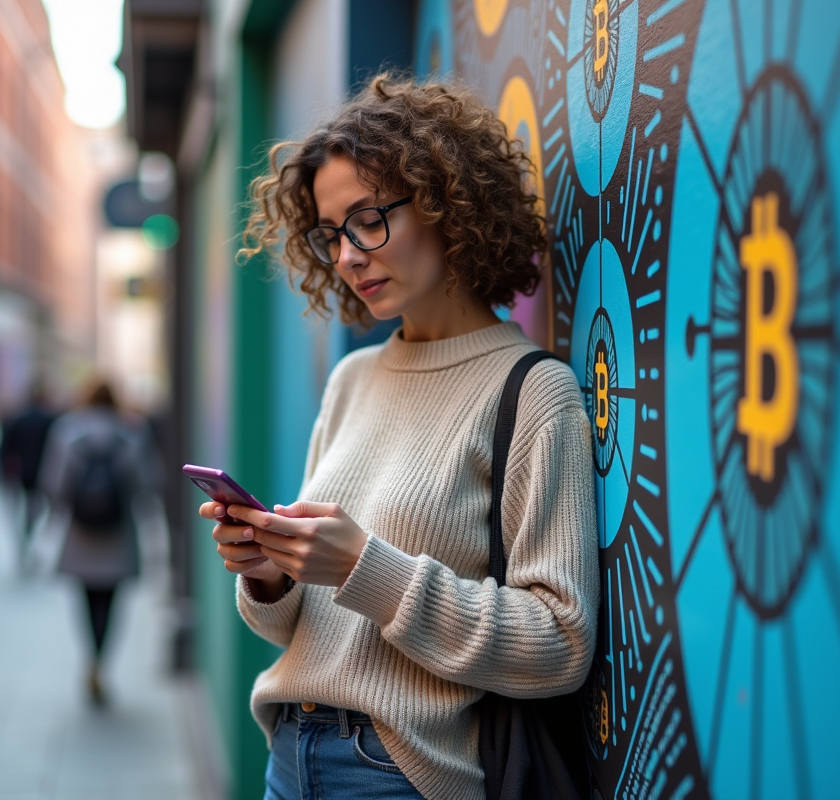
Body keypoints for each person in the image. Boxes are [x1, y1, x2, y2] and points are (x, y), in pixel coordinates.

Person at [201, 74, 600, 800]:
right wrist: (269, 571)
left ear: (450, 204)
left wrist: (366, 568)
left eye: (368, 220)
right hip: (288, 756)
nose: (349, 255)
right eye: (330, 235)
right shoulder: (353, 379)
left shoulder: (530, 390)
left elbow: (559, 643)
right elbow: (298, 624)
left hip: (400, 774)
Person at [39, 379, 148, 705]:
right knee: (111, 600)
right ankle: (101, 662)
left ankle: (90, 656)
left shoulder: (66, 431)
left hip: (80, 533)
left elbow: (53, 485)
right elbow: (146, 483)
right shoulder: (132, 432)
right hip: (119, 532)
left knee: (86, 598)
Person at [0, 381, 56, 568]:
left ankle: (26, 542)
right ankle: (30, 541)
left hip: (22, 474)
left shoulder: (19, 419)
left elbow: (7, 449)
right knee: (36, 511)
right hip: (43, 473)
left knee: (26, 511)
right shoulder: (50, 420)